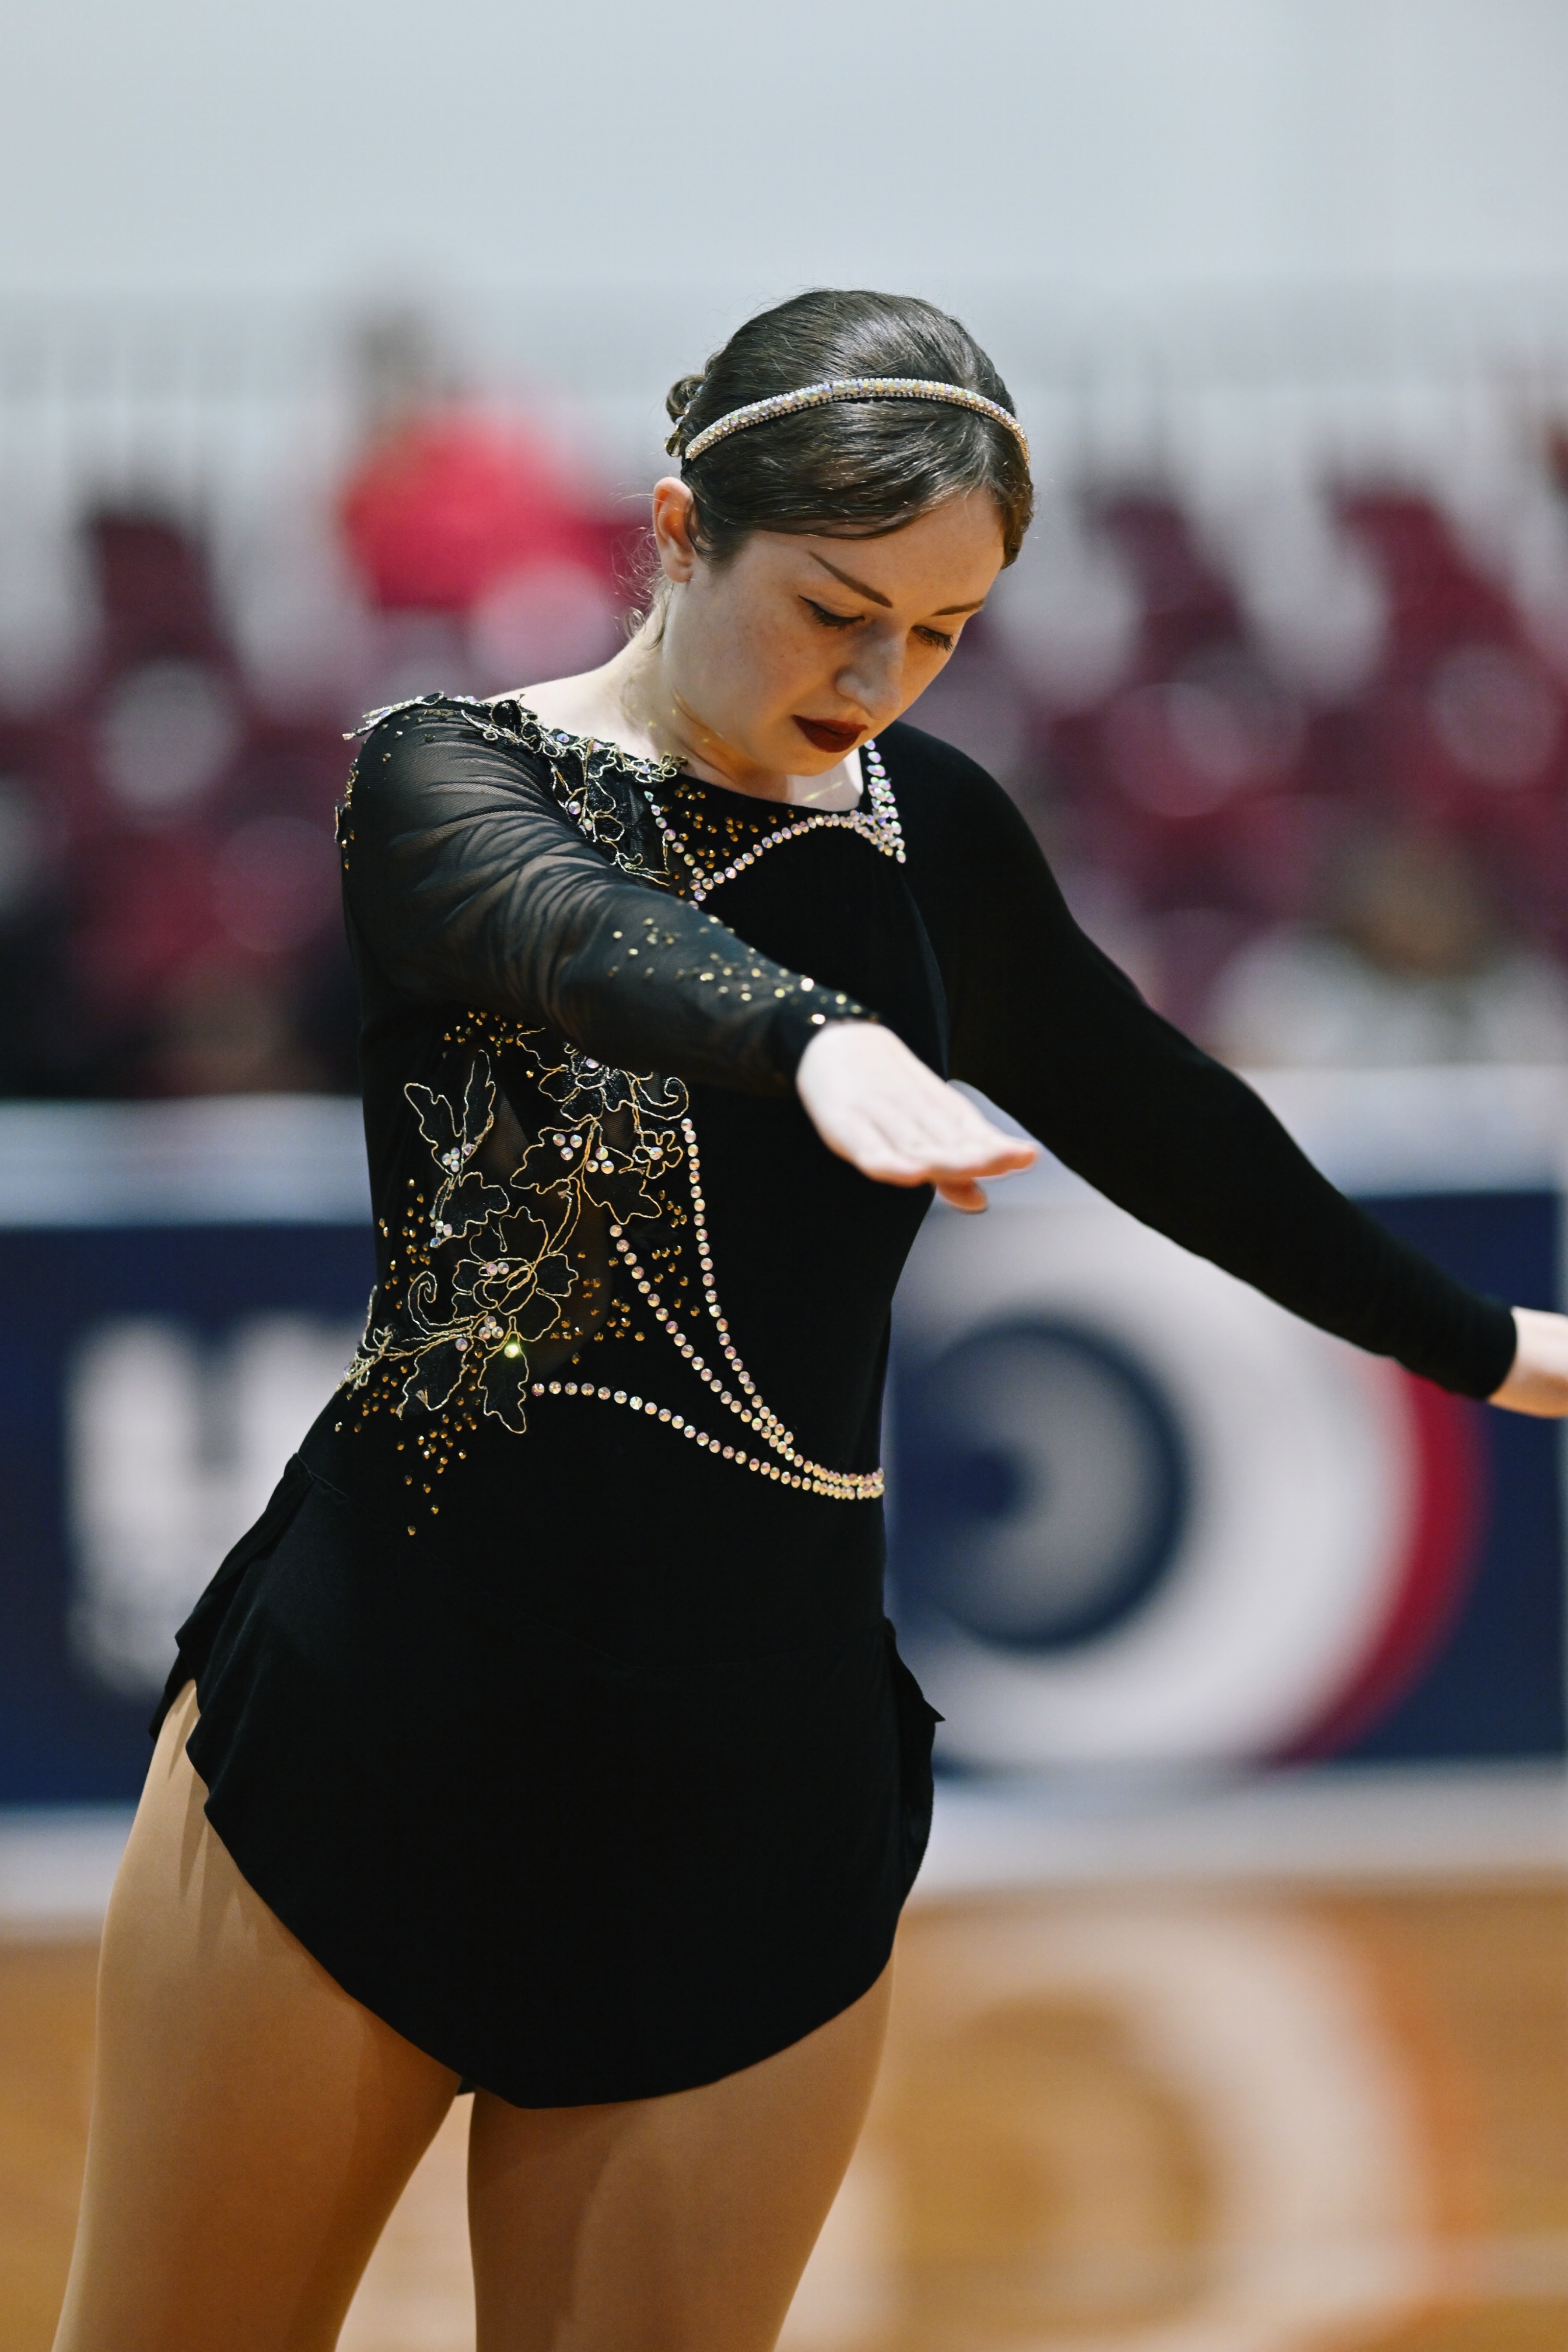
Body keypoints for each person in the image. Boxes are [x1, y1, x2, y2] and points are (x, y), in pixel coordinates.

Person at [52, 290, 1568, 2352]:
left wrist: (1485, 1342)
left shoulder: (936, 837)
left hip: (756, 1794)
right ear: (684, 528)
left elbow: (1165, 1118)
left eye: (940, 633)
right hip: (369, 1737)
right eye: (836, 611)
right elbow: (574, 931)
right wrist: (816, 1042)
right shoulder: (445, 775)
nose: (874, 684)